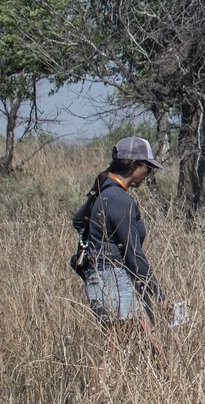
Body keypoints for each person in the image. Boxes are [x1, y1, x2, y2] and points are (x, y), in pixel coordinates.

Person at [71, 136, 166, 347]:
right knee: (121, 353)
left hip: (102, 279)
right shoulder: (120, 198)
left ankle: (167, 379)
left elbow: (78, 221)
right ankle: (168, 379)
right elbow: (133, 252)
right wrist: (159, 293)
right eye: (148, 167)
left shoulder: (101, 193)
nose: (148, 173)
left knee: (145, 345)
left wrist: (98, 246)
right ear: (135, 165)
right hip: (115, 280)